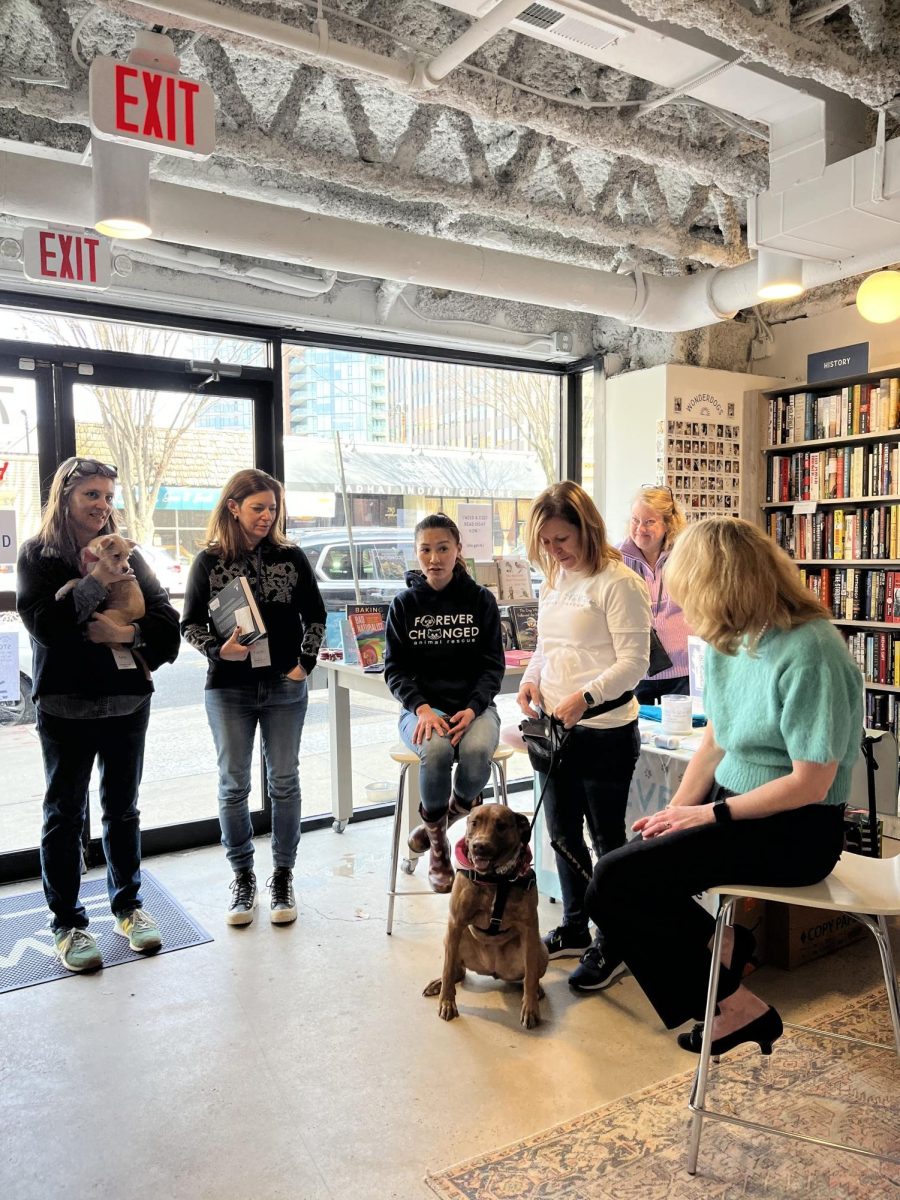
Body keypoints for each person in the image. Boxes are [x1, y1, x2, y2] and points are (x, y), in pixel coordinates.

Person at [585, 518, 863, 1055]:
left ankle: (733, 998)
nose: (684, 607)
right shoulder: (734, 641)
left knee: (616, 880)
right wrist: (674, 812)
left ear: (722, 586)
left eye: (689, 592)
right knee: (617, 875)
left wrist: (706, 818)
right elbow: (716, 741)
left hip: (797, 832)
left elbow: (811, 783)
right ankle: (726, 953)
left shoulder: (812, 650)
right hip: (733, 813)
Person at [16, 456, 180, 972]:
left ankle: (128, 908)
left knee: (123, 809)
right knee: (65, 815)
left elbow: (167, 625)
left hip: (127, 700)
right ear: (65, 496)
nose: (102, 506)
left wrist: (125, 635)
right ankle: (67, 922)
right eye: (92, 495)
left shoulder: (129, 552)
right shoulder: (39, 556)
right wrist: (96, 582)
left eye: (108, 497)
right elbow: (48, 628)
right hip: (66, 704)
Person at [517, 481, 650, 992]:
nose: (554, 551)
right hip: (554, 729)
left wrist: (586, 698)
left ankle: (612, 941)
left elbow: (633, 664)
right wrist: (531, 679)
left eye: (562, 540)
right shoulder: (553, 580)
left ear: (587, 529)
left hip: (604, 732)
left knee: (607, 841)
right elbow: (546, 647)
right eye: (546, 542)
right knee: (561, 835)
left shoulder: (617, 583)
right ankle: (575, 926)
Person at [181, 469, 325, 926]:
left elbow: (316, 614)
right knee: (233, 784)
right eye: (258, 507)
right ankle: (242, 878)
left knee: (285, 780)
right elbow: (189, 623)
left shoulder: (292, 555)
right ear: (233, 507)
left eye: (273, 508)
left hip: (285, 683)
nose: (267, 516)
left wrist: (306, 663)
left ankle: (283, 877)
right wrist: (216, 650)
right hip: (229, 688)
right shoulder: (208, 561)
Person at [384, 513, 504, 893]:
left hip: (474, 706)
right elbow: (395, 670)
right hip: (421, 709)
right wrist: (420, 708)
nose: (434, 558)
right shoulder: (404, 604)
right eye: (425, 550)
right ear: (416, 553)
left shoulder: (481, 600)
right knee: (435, 751)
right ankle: (439, 848)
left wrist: (473, 707)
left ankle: (437, 822)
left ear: (457, 551)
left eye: (442, 549)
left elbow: (492, 666)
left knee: (478, 748)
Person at [618, 485, 691, 704]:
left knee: (684, 734)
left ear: (669, 524)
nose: (640, 528)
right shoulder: (614, 559)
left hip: (683, 671)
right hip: (634, 672)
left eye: (649, 522)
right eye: (635, 520)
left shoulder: (685, 557)